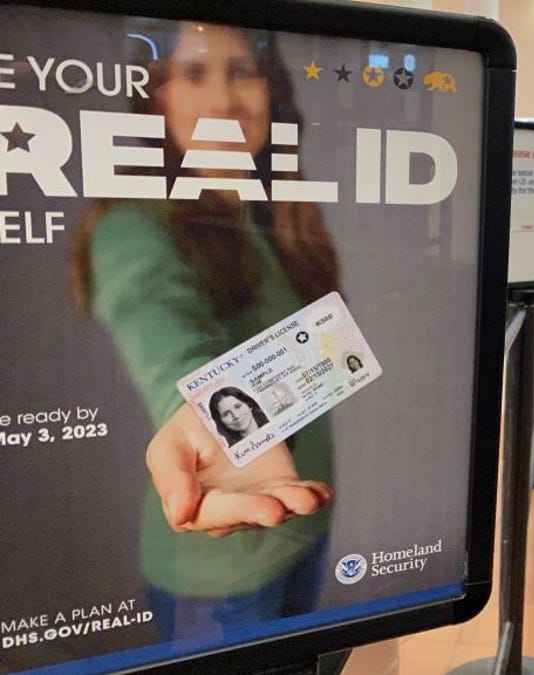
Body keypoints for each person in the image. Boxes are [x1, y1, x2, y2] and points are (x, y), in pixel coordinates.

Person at [69, 21, 338, 638]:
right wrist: (197, 409)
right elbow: (166, 337)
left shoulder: (269, 219)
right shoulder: (132, 228)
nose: (223, 98)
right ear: (157, 100)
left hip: (299, 534)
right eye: (193, 74)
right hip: (221, 581)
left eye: (240, 72)